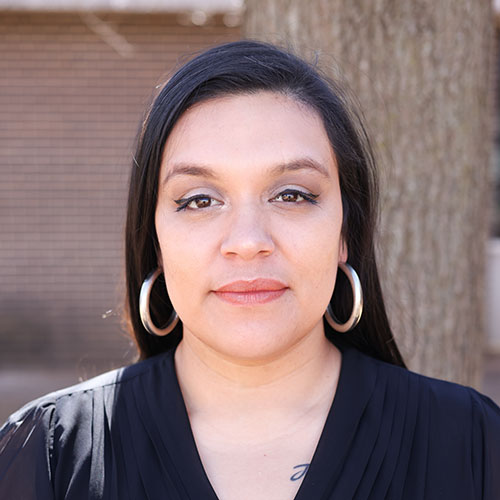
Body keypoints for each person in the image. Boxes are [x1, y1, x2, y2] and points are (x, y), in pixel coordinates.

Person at [0, 40, 499, 500]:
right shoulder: (47, 457)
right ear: (154, 241)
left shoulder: (475, 447)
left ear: (346, 232)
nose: (247, 243)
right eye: (199, 200)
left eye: (291, 195)